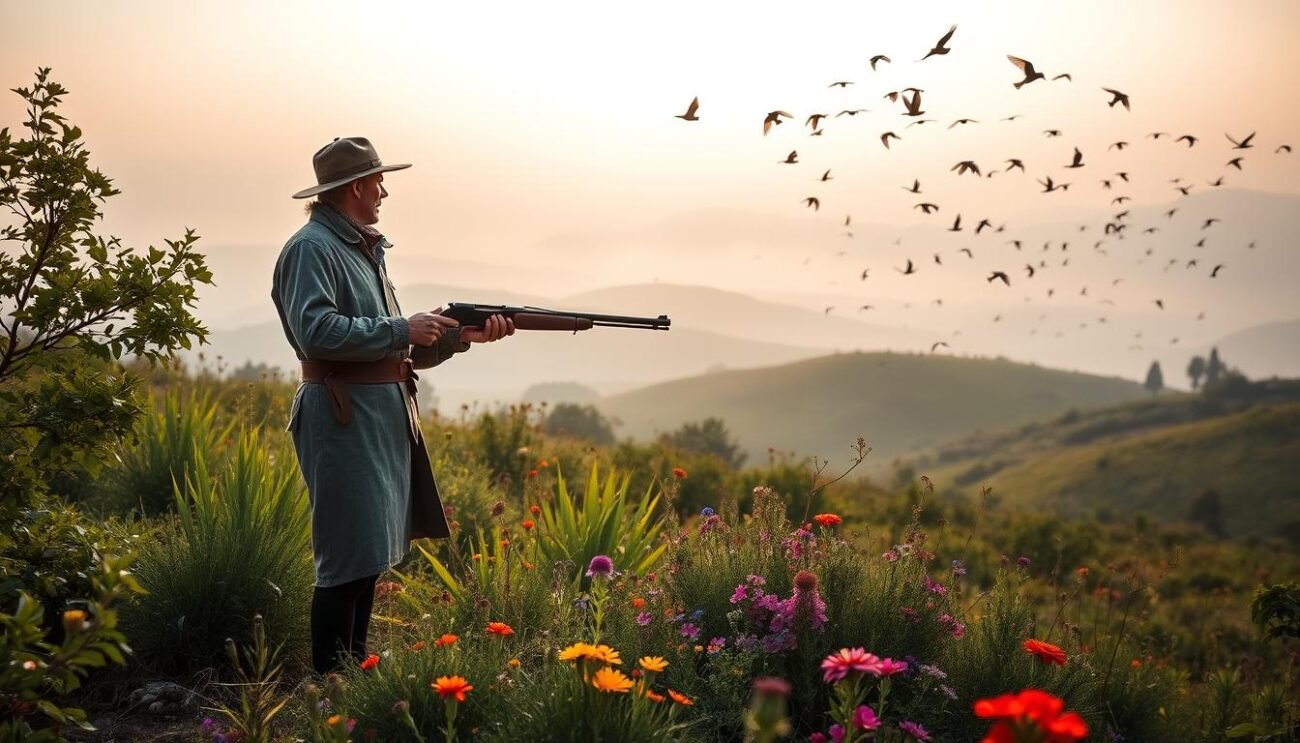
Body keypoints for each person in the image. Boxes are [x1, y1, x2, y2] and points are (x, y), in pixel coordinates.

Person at [272, 137, 515, 674]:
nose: (383, 191)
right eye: (378, 181)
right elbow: (316, 333)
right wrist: (402, 327)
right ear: (356, 187)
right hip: (342, 420)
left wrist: (456, 337)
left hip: (374, 418)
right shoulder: (312, 248)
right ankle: (329, 687)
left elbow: (390, 349)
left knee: (367, 559)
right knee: (343, 561)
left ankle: (350, 678)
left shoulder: (361, 248)